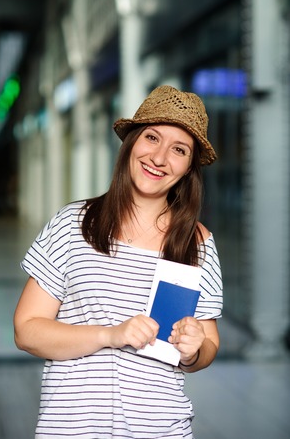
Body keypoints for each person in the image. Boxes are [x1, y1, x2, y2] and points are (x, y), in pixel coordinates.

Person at [14, 85, 223, 439]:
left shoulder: (197, 242)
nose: (159, 158)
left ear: (189, 168)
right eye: (152, 138)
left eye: (178, 149)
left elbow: (208, 346)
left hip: (161, 429)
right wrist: (110, 335)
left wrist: (194, 350)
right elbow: (27, 329)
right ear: (130, 143)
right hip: (70, 428)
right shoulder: (74, 223)